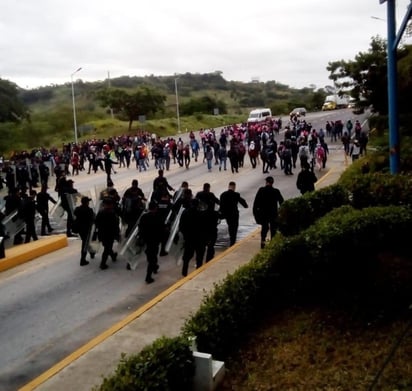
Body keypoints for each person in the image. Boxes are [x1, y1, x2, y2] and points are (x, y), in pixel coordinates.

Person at [253, 176, 284, 249]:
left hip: (263, 214)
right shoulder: (276, 191)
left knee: (264, 229)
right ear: (272, 183)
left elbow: (256, 203)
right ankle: (272, 244)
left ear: (266, 182)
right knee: (273, 229)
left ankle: (263, 243)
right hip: (273, 214)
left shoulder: (261, 190)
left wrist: (256, 213)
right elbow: (282, 202)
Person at [138, 201, 164, 284]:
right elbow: (161, 229)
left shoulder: (144, 217)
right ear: (155, 208)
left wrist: (141, 238)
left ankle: (155, 267)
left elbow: (140, 228)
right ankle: (148, 276)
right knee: (152, 257)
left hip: (147, 240)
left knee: (151, 255)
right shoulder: (158, 217)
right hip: (155, 240)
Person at [219, 181, 248, 246]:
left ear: (228, 186)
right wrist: (246, 206)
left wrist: (221, 214)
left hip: (227, 215)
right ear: (234, 187)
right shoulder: (236, 194)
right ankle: (233, 241)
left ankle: (232, 239)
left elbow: (221, 205)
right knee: (234, 227)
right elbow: (242, 201)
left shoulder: (223, 194)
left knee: (230, 226)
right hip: (234, 214)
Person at [95, 197, 120, 270]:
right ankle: (103, 264)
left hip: (102, 233)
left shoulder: (100, 212)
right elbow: (115, 225)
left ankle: (113, 256)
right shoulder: (111, 213)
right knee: (107, 248)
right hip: (109, 234)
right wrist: (117, 234)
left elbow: (96, 222)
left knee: (107, 246)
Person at [73, 196, 95, 266]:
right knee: (85, 244)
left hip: (80, 229)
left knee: (86, 241)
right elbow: (93, 218)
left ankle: (91, 253)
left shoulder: (77, 209)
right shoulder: (89, 210)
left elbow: (75, 214)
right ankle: (82, 260)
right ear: (87, 203)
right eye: (88, 201)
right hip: (86, 229)